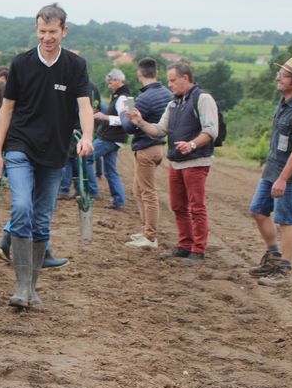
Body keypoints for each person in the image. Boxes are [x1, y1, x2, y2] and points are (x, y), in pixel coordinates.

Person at [0, 3, 94, 308]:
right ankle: (21, 286)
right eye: (42, 31)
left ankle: (31, 287)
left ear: (64, 31)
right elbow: (6, 109)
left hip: (56, 151)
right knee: (22, 206)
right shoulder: (21, 63)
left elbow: (84, 106)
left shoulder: (76, 66)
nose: (47, 37)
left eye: (53, 32)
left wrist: (87, 136)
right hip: (20, 145)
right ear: (37, 30)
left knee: (42, 219)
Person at [126, 62, 218, 265]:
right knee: (178, 206)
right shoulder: (173, 103)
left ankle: (198, 250)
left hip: (196, 161)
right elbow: (159, 130)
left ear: (185, 78)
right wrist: (140, 121)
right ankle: (184, 245)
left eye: (172, 80)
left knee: (196, 207)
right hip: (176, 162)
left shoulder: (203, 99)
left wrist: (192, 144)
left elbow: (211, 130)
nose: (169, 85)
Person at [247, 57, 292, 287]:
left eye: (284, 75)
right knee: (258, 211)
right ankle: (273, 257)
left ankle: (284, 269)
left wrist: (283, 178)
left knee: (285, 219)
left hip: (288, 174)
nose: (278, 77)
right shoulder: (284, 101)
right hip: (272, 169)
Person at [120, 58, 173, 248]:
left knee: (148, 193)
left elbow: (129, 127)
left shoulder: (143, 99)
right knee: (138, 190)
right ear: (156, 73)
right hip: (159, 147)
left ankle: (150, 236)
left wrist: (123, 113)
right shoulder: (167, 93)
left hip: (146, 149)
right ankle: (145, 230)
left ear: (139, 73)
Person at [91, 68, 131, 209]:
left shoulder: (124, 98)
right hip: (114, 138)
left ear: (118, 81)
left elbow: (127, 120)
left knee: (86, 157)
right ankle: (118, 201)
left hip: (110, 137)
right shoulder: (125, 97)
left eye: (111, 82)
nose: (109, 85)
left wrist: (104, 117)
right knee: (110, 171)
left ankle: (92, 191)